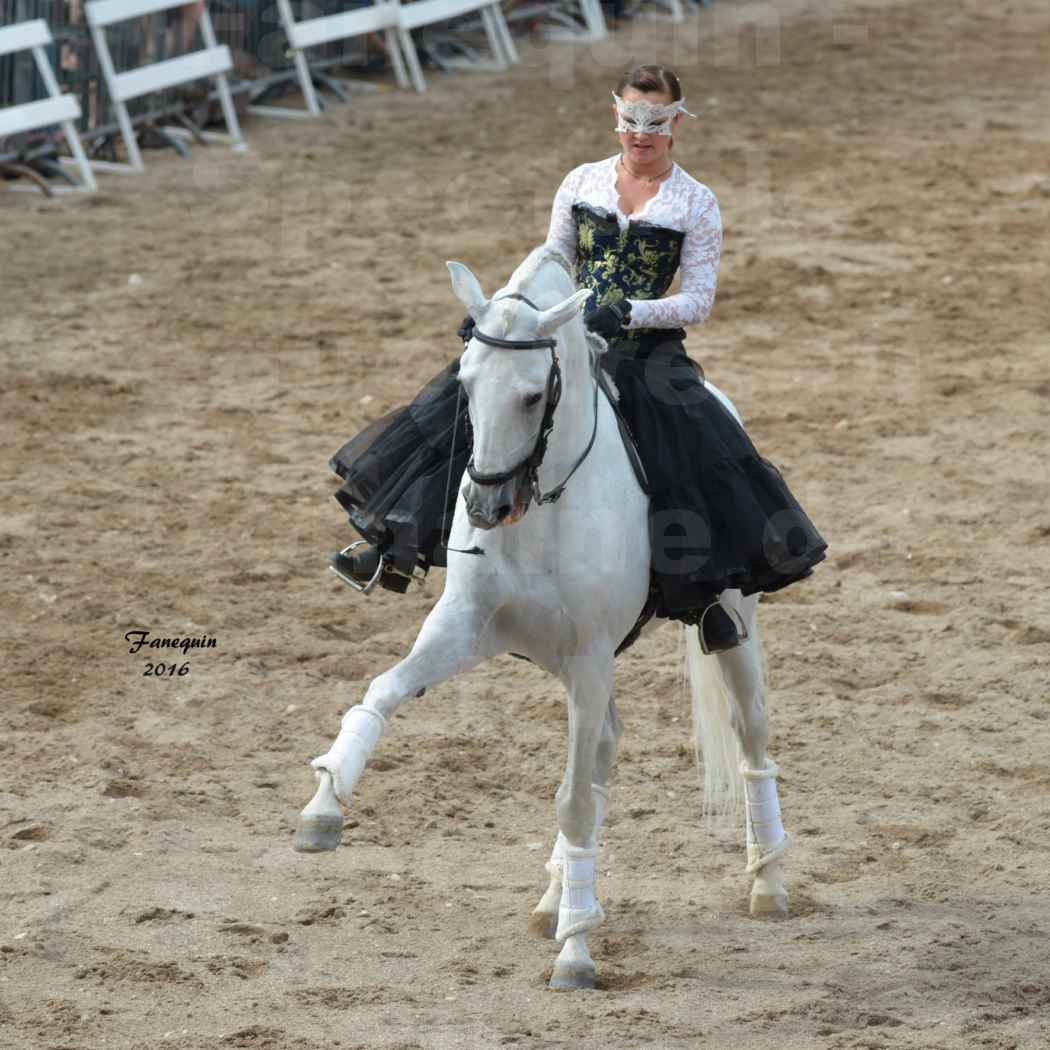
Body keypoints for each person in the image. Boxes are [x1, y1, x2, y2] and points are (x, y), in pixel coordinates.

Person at [328, 64, 826, 652]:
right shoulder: (581, 181)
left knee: (688, 447)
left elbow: (697, 301)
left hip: (643, 351)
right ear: (617, 115)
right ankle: (392, 546)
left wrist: (631, 313)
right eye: (631, 119)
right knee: (479, 400)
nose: (641, 133)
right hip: (563, 334)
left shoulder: (696, 202)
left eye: (655, 121)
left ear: (676, 124)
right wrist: (502, 312)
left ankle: (707, 595)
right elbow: (549, 260)